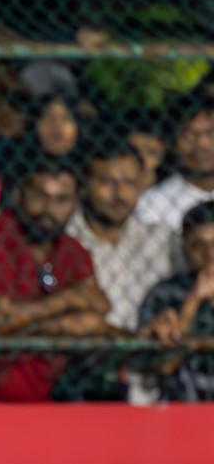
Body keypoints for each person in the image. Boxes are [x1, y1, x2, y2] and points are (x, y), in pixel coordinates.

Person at [0, 160, 109, 401]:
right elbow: (0, 319)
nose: (47, 209)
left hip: (50, 394)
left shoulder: (73, 252)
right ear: (18, 195)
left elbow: (93, 316)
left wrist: (32, 321)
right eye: (39, 196)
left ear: (75, 204)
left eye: (61, 200)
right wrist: (67, 302)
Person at [66, 137, 178, 333]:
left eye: (129, 182)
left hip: (150, 355)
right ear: (83, 185)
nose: (119, 193)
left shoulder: (161, 239)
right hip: (81, 354)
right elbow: (45, 279)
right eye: (107, 182)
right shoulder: (62, 237)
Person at [139, 202, 214, 400]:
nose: (210, 255)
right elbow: (165, 366)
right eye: (199, 245)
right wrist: (193, 301)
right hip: (184, 411)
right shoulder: (166, 293)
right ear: (185, 248)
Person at [137, 100, 214, 231]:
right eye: (189, 135)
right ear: (172, 143)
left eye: (210, 133)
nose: (202, 144)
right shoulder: (152, 205)